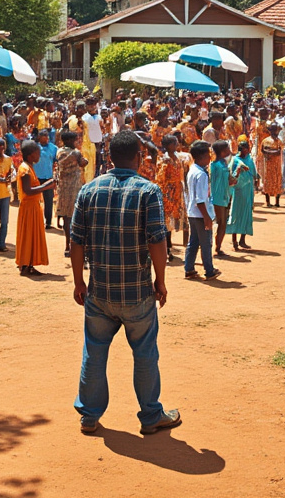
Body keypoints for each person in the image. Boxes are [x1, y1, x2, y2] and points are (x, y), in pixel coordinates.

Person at [70, 129, 181, 436]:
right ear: (139, 157)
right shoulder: (148, 191)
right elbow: (157, 241)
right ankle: (150, 415)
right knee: (145, 353)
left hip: (100, 290)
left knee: (94, 352)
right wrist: (161, 281)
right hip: (137, 291)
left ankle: (89, 415)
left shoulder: (89, 190)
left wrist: (79, 281)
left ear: (108, 157)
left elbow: (76, 242)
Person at [15, 141, 56, 276]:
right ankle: (26, 265)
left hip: (32, 207)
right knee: (29, 236)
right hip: (29, 208)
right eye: (38, 153)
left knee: (31, 236)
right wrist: (47, 186)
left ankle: (27, 263)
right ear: (31, 155)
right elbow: (28, 190)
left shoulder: (28, 167)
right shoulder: (25, 170)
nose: (39, 156)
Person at [183, 140, 220, 281]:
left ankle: (189, 268)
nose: (210, 157)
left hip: (193, 212)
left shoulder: (193, 170)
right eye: (208, 155)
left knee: (194, 241)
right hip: (200, 213)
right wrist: (207, 217)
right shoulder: (202, 174)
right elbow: (200, 199)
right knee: (206, 243)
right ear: (202, 156)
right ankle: (209, 271)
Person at [156, 134, 191, 259]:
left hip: (177, 193)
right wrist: (165, 194)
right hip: (167, 194)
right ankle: (167, 248)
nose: (177, 145)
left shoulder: (178, 158)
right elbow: (160, 179)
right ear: (168, 145)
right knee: (167, 221)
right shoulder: (163, 160)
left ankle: (174, 247)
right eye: (174, 143)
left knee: (174, 221)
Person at [55, 130, 89, 254]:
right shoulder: (75, 153)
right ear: (70, 141)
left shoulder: (59, 151)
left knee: (66, 218)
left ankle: (67, 245)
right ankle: (75, 245)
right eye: (76, 140)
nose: (77, 142)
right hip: (74, 187)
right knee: (76, 216)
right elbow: (83, 163)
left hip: (63, 187)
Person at [227, 136, 258, 250]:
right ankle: (234, 241)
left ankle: (242, 240)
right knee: (236, 213)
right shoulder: (235, 160)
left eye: (248, 148)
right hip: (238, 190)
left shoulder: (249, 159)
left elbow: (254, 172)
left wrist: (256, 179)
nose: (248, 150)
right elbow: (230, 174)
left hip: (248, 189)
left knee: (247, 213)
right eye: (246, 149)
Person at [209, 140, 233, 255]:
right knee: (221, 222)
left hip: (224, 195)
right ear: (222, 151)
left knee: (223, 222)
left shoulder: (223, 163)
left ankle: (218, 246)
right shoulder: (215, 165)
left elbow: (229, 180)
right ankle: (217, 247)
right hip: (218, 196)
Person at [34, 128, 58, 228]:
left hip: (48, 177)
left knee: (49, 200)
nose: (47, 138)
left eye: (47, 136)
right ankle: (35, 220)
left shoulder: (53, 148)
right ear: (39, 138)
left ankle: (48, 222)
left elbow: (56, 161)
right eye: (44, 136)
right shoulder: (34, 147)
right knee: (34, 200)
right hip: (36, 177)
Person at [260, 123, 285, 206]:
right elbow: (263, 150)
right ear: (270, 131)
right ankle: (268, 202)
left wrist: (270, 152)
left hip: (277, 165)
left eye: (276, 130)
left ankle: (277, 202)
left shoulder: (279, 141)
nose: (275, 132)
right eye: (273, 130)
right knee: (267, 181)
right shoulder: (266, 140)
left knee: (277, 181)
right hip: (268, 165)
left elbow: (279, 152)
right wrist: (272, 152)